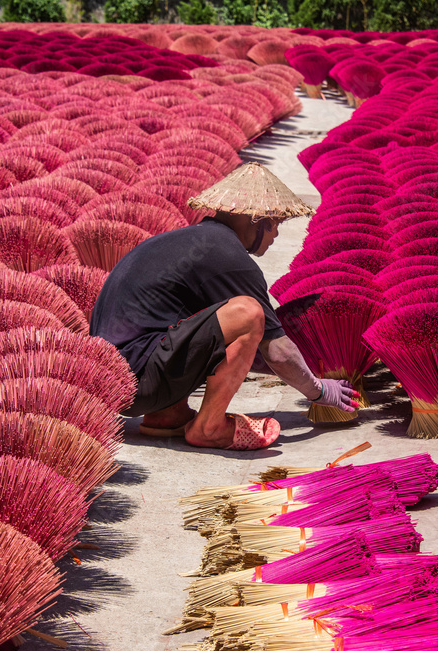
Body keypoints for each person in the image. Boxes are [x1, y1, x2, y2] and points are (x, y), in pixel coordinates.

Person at [90, 162, 359, 450]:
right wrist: (317, 390)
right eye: (276, 225)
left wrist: (305, 365)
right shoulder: (230, 259)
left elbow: (218, 342)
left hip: (112, 383)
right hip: (140, 383)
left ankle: (166, 416)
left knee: (198, 317)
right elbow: (277, 351)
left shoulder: (192, 242)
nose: (276, 236)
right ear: (257, 220)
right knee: (248, 313)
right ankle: (209, 427)